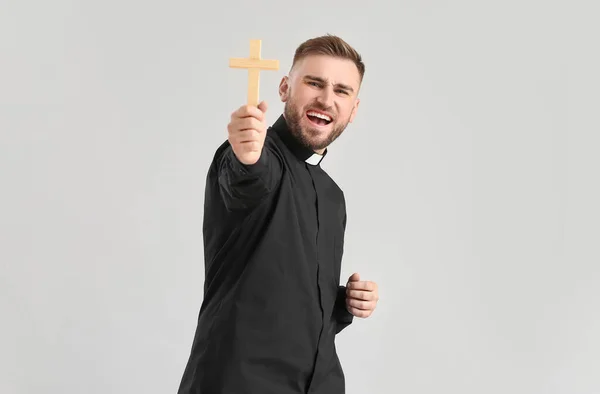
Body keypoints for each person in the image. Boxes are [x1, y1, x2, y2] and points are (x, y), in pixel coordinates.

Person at [177, 34, 379, 394]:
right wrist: (247, 154)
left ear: (354, 109)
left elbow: (291, 297)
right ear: (286, 88)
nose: (327, 99)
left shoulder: (334, 197)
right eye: (314, 83)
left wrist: (345, 302)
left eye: (342, 91)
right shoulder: (252, 156)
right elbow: (246, 180)